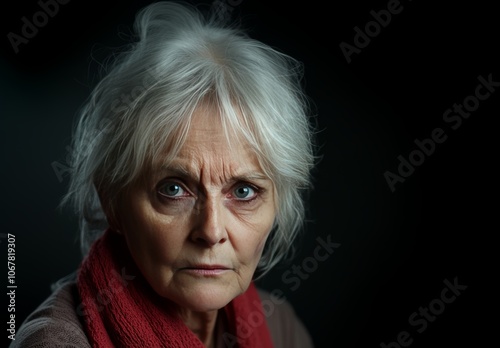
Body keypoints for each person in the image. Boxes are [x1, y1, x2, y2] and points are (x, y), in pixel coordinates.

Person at [12, 1, 316, 347]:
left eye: (244, 192)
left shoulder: (280, 330)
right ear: (112, 201)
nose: (211, 231)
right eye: (173, 189)